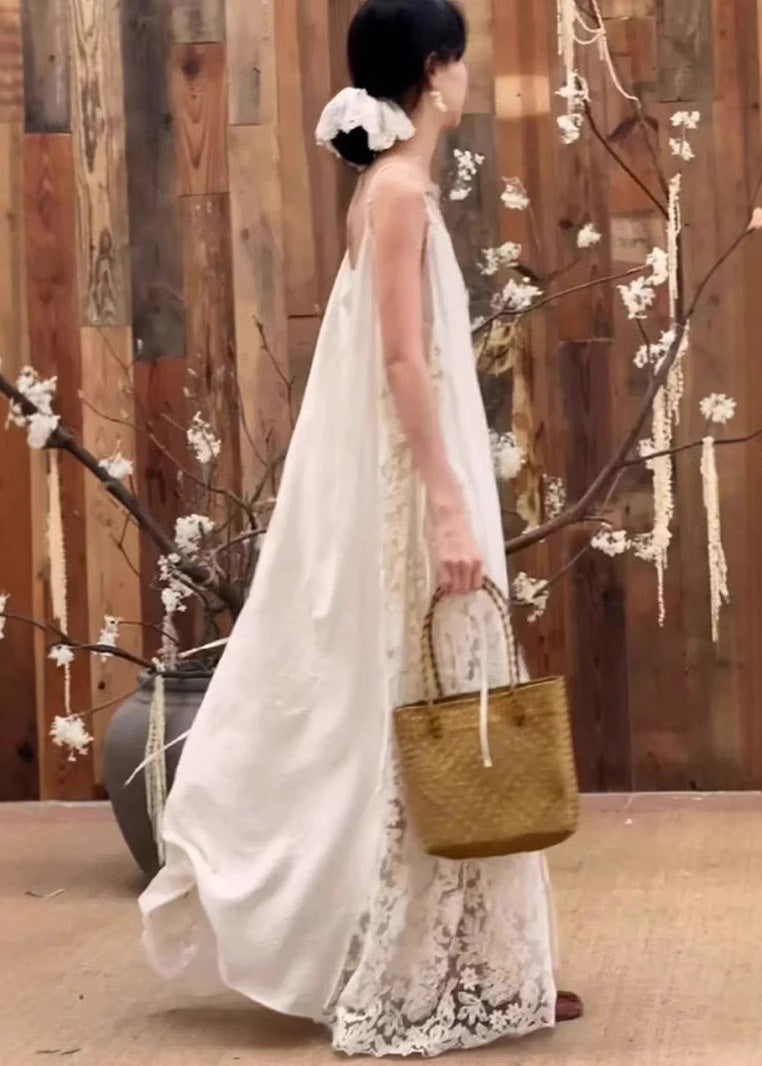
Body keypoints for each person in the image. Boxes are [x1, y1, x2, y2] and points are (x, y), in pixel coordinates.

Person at [139, 0, 583, 1055]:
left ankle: (482, 959)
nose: (467, 79)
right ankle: (426, 965)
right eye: (459, 61)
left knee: (432, 695)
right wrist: (446, 503)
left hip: (411, 470)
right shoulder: (398, 194)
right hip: (412, 483)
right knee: (434, 700)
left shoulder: (390, 188)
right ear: (434, 70)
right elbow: (398, 360)